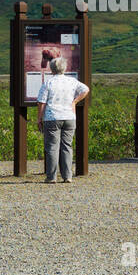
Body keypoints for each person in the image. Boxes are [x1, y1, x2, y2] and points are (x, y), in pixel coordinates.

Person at [35, 56, 88, 184]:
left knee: (52, 147)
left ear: (51, 69)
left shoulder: (48, 83)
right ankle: (67, 176)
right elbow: (86, 89)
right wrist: (75, 101)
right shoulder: (72, 81)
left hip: (52, 117)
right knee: (67, 146)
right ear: (64, 68)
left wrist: (39, 118)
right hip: (69, 117)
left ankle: (51, 177)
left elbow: (41, 102)